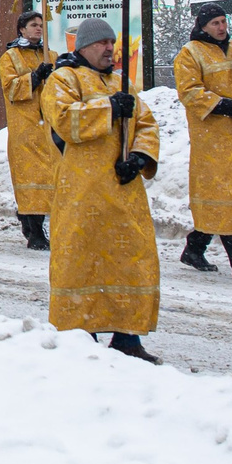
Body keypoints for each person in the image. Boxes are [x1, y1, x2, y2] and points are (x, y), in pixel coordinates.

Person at [43, 18, 162, 361]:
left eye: (112, 42)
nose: (109, 48)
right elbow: (64, 120)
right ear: (83, 47)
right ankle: (82, 336)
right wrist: (109, 108)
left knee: (131, 260)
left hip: (124, 191)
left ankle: (127, 339)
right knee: (82, 262)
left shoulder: (121, 82)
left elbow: (146, 123)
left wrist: (139, 157)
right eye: (102, 43)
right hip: (83, 192)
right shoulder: (63, 79)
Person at [172, 3, 232, 282]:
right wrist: (225, 106)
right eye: (215, 23)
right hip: (210, 140)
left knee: (223, 199)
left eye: (223, 21)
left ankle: (195, 248)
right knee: (223, 196)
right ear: (202, 26)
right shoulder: (190, 53)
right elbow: (189, 92)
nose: (221, 27)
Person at [0, 10, 57, 249]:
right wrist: (35, 77)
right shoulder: (10, 57)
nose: (38, 28)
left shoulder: (50, 54)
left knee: (50, 178)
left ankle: (30, 219)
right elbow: (11, 89)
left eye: (41, 24)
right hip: (25, 129)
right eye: (33, 24)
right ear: (21, 29)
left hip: (49, 128)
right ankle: (35, 231)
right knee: (31, 179)